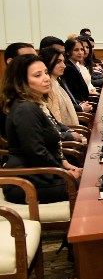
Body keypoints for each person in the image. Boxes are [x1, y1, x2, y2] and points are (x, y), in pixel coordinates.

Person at [0, 55, 82, 204]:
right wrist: (64, 173)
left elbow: (49, 145)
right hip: (26, 182)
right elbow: (36, 152)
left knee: (89, 178)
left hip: (40, 173)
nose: (46, 78)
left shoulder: (34, 103)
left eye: (45, 72)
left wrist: (65, 164)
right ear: (21, 81)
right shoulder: (25, 109)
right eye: (38, 75)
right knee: (90, 186)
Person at [39, 46, 81, 129]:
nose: (64, 66)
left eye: (63, 62)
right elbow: (57, 122)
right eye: (58, 62)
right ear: (47, 63)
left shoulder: (56, 82)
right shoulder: (48, 87)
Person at [61, 38, 93, 103]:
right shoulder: (68, 68)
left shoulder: (74, 65)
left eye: (81, 49)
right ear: (67, 52)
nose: (80, 53)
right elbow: (74, 92)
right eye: (76, 50)